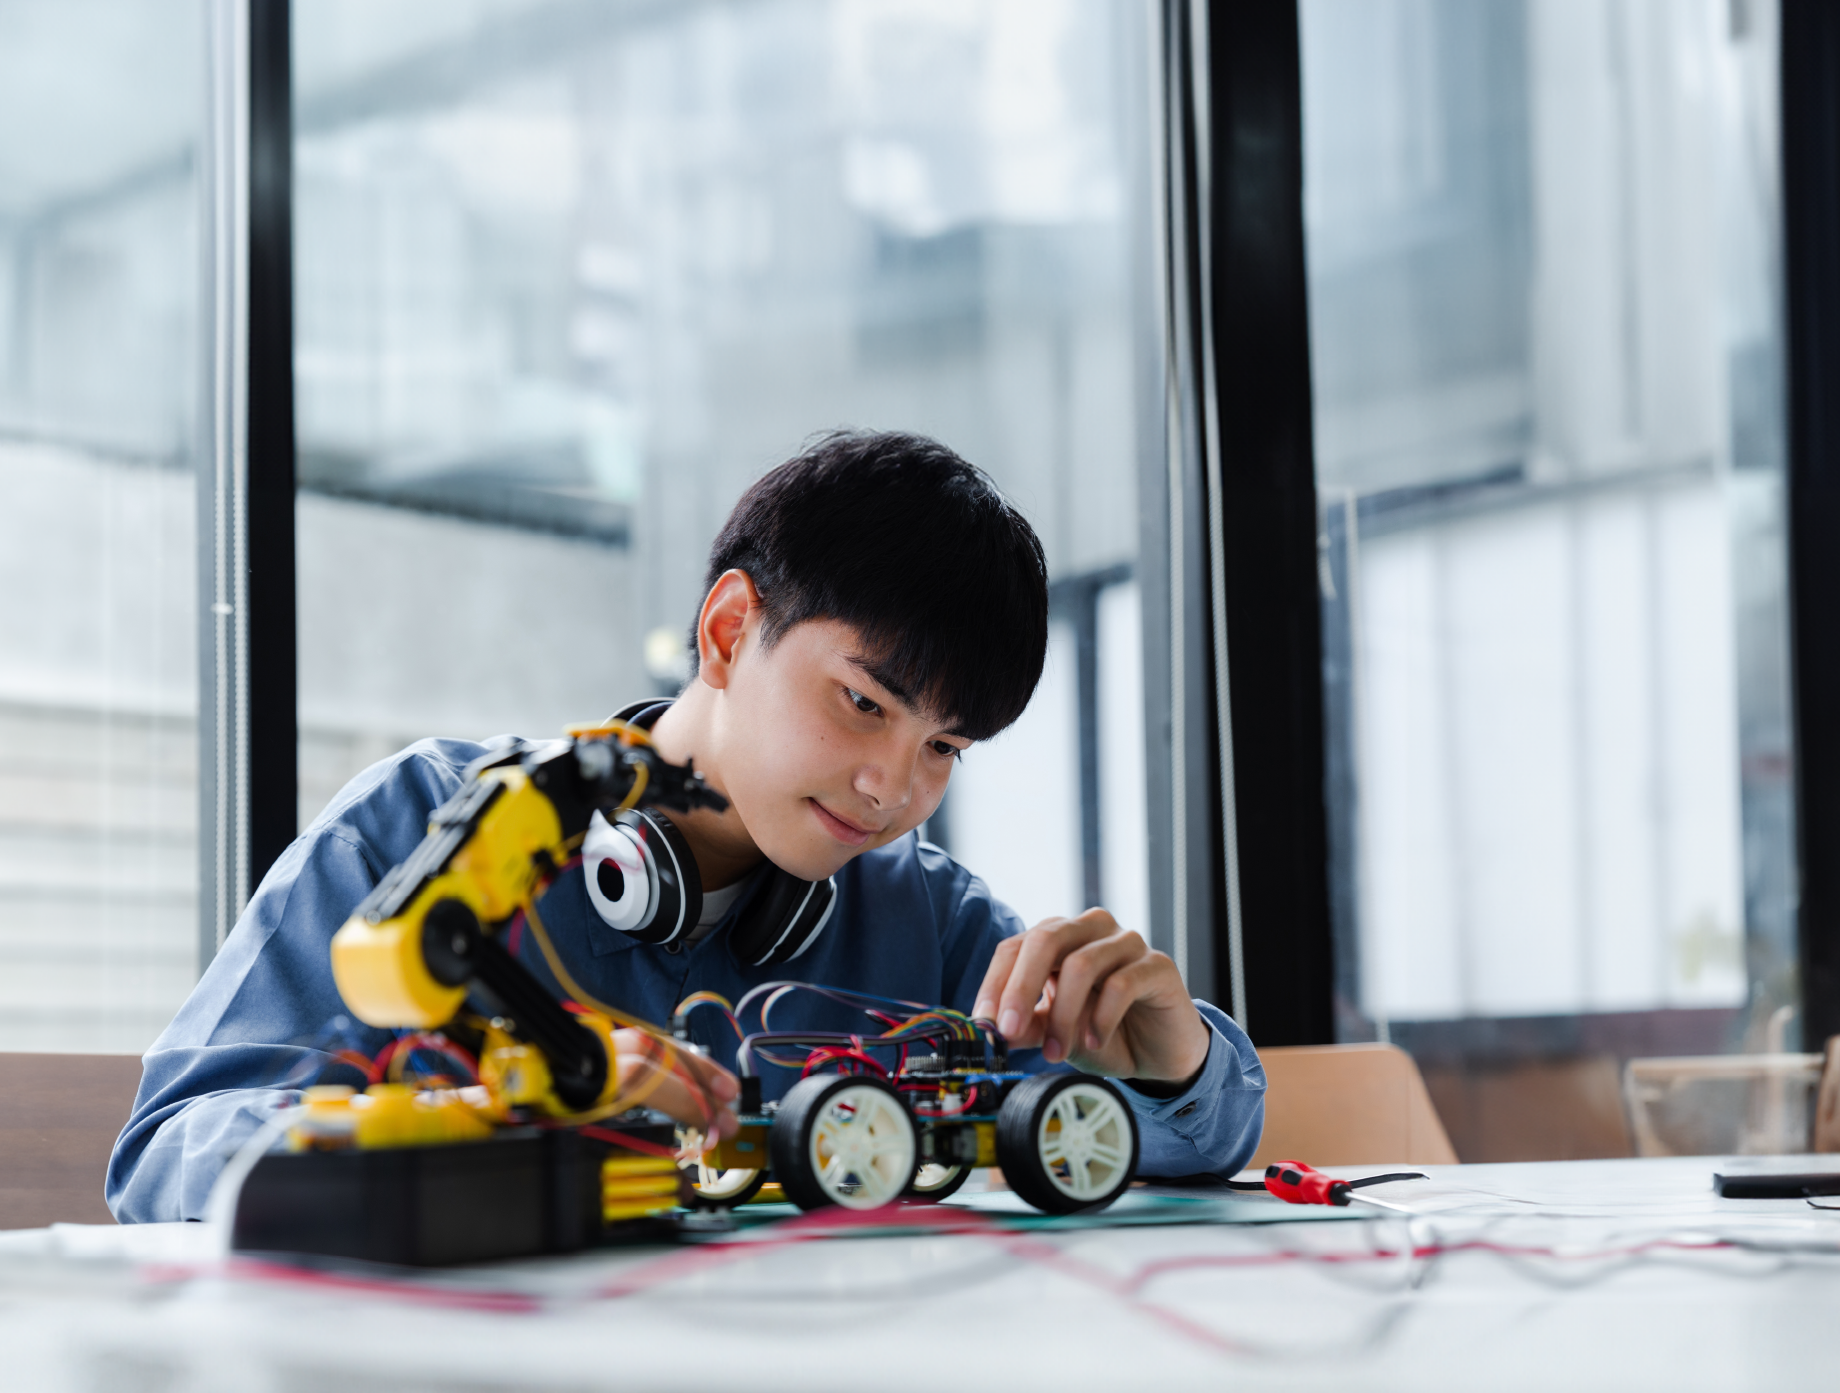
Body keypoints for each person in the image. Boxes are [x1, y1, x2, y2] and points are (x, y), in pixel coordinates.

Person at [109, 430, 1264, 1223]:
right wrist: (495, 1126)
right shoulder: (423, 824)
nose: (891, 790)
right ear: (724, 632)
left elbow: (1126, 1143)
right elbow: (174, 1152)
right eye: (863, 704)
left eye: (942, 748)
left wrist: (1175, 1069)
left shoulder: (923, 914)